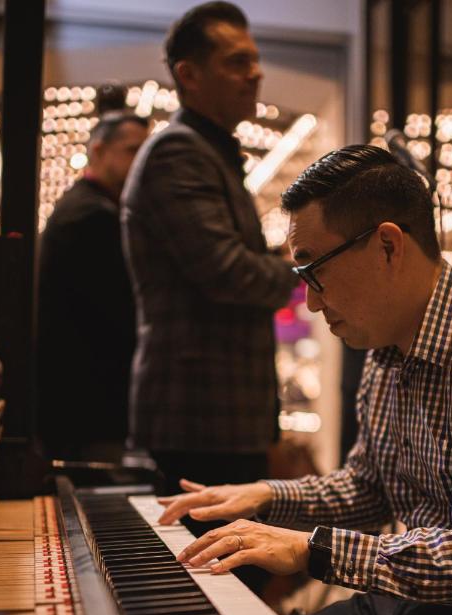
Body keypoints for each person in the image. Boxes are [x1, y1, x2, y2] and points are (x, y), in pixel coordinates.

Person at [157, 144, 452, 615]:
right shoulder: (384, 351)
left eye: (313, 270)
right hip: (415, 603)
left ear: (387, 245)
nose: (308, 300)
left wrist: (313, 550)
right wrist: (264, 496)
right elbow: (369, 488)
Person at [120, 2, 296, 498]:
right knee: (211, 570)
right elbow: (230, 273)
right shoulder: (179, 151)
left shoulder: (208, 151)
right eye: (237, 62)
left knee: (234, 567)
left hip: (218, 417)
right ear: (189, 75)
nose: (255, 73)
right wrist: (295, 268)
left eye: (255, 60)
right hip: (196, 419)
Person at [37, 111, 149, 462]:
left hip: (78, 405)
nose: (142, 163)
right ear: (98, 151)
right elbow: (120, 317)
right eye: (133, 150)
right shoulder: (91, 216)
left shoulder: (88, 207)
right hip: (86, 408)